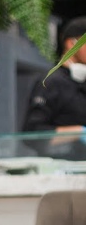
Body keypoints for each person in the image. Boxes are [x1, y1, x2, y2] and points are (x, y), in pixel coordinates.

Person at [23, 16, 86, 160]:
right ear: (72, 44)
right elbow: (32, 134)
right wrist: (78, 132)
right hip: (60, 167)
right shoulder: (50, 82)